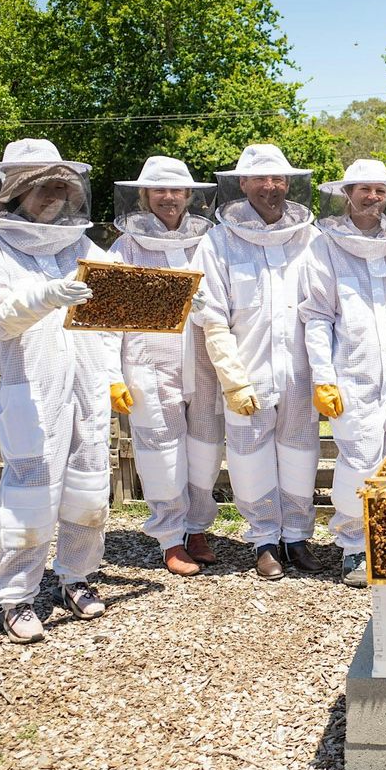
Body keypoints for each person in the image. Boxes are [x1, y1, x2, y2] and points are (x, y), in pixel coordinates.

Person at [0, 138, 128, 643]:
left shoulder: (80, 244)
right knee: (31, 493)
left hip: (86, 386)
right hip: (31, 392)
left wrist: (114, 371)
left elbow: (113, 311)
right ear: (14, 191)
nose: (53, 197)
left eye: (61, 186)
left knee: (87, 487)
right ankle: (16, 596)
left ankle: (75, 576)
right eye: (42, 187)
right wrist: (46, 296)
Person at [192, 144, 325, 580]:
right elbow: (211, 316)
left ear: (289, 183)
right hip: (246, 372)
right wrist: (233, 379)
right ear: (243, 183)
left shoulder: (311, 238)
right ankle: (264, 539)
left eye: (279, 179)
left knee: (301, 454)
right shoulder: (218, 241)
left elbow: (327, 306)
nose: (271, 187)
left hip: (301, 372)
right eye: (261, 179)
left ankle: (297, 537)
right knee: (249, 457)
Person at [300, 159, 386, 587]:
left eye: (381, 190)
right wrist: (323, 376)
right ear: (347, 193)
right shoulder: (325, 244)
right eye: (364, 189)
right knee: (359, 458)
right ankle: (353, 547)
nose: (373, 197)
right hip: (353, 371)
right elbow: (316, 315)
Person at [111, 156, 224, 576]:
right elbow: (109, 309)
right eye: (159, 190)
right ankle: (170, 537)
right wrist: (113, 372)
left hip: (204, 362)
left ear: (189, 195)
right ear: (144, 196)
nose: (169, 198)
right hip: (150, 363)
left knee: (205, 451)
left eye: (176, 190)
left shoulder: (207, 240)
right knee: (161, 452)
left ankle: (197, 527)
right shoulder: (126, 245)